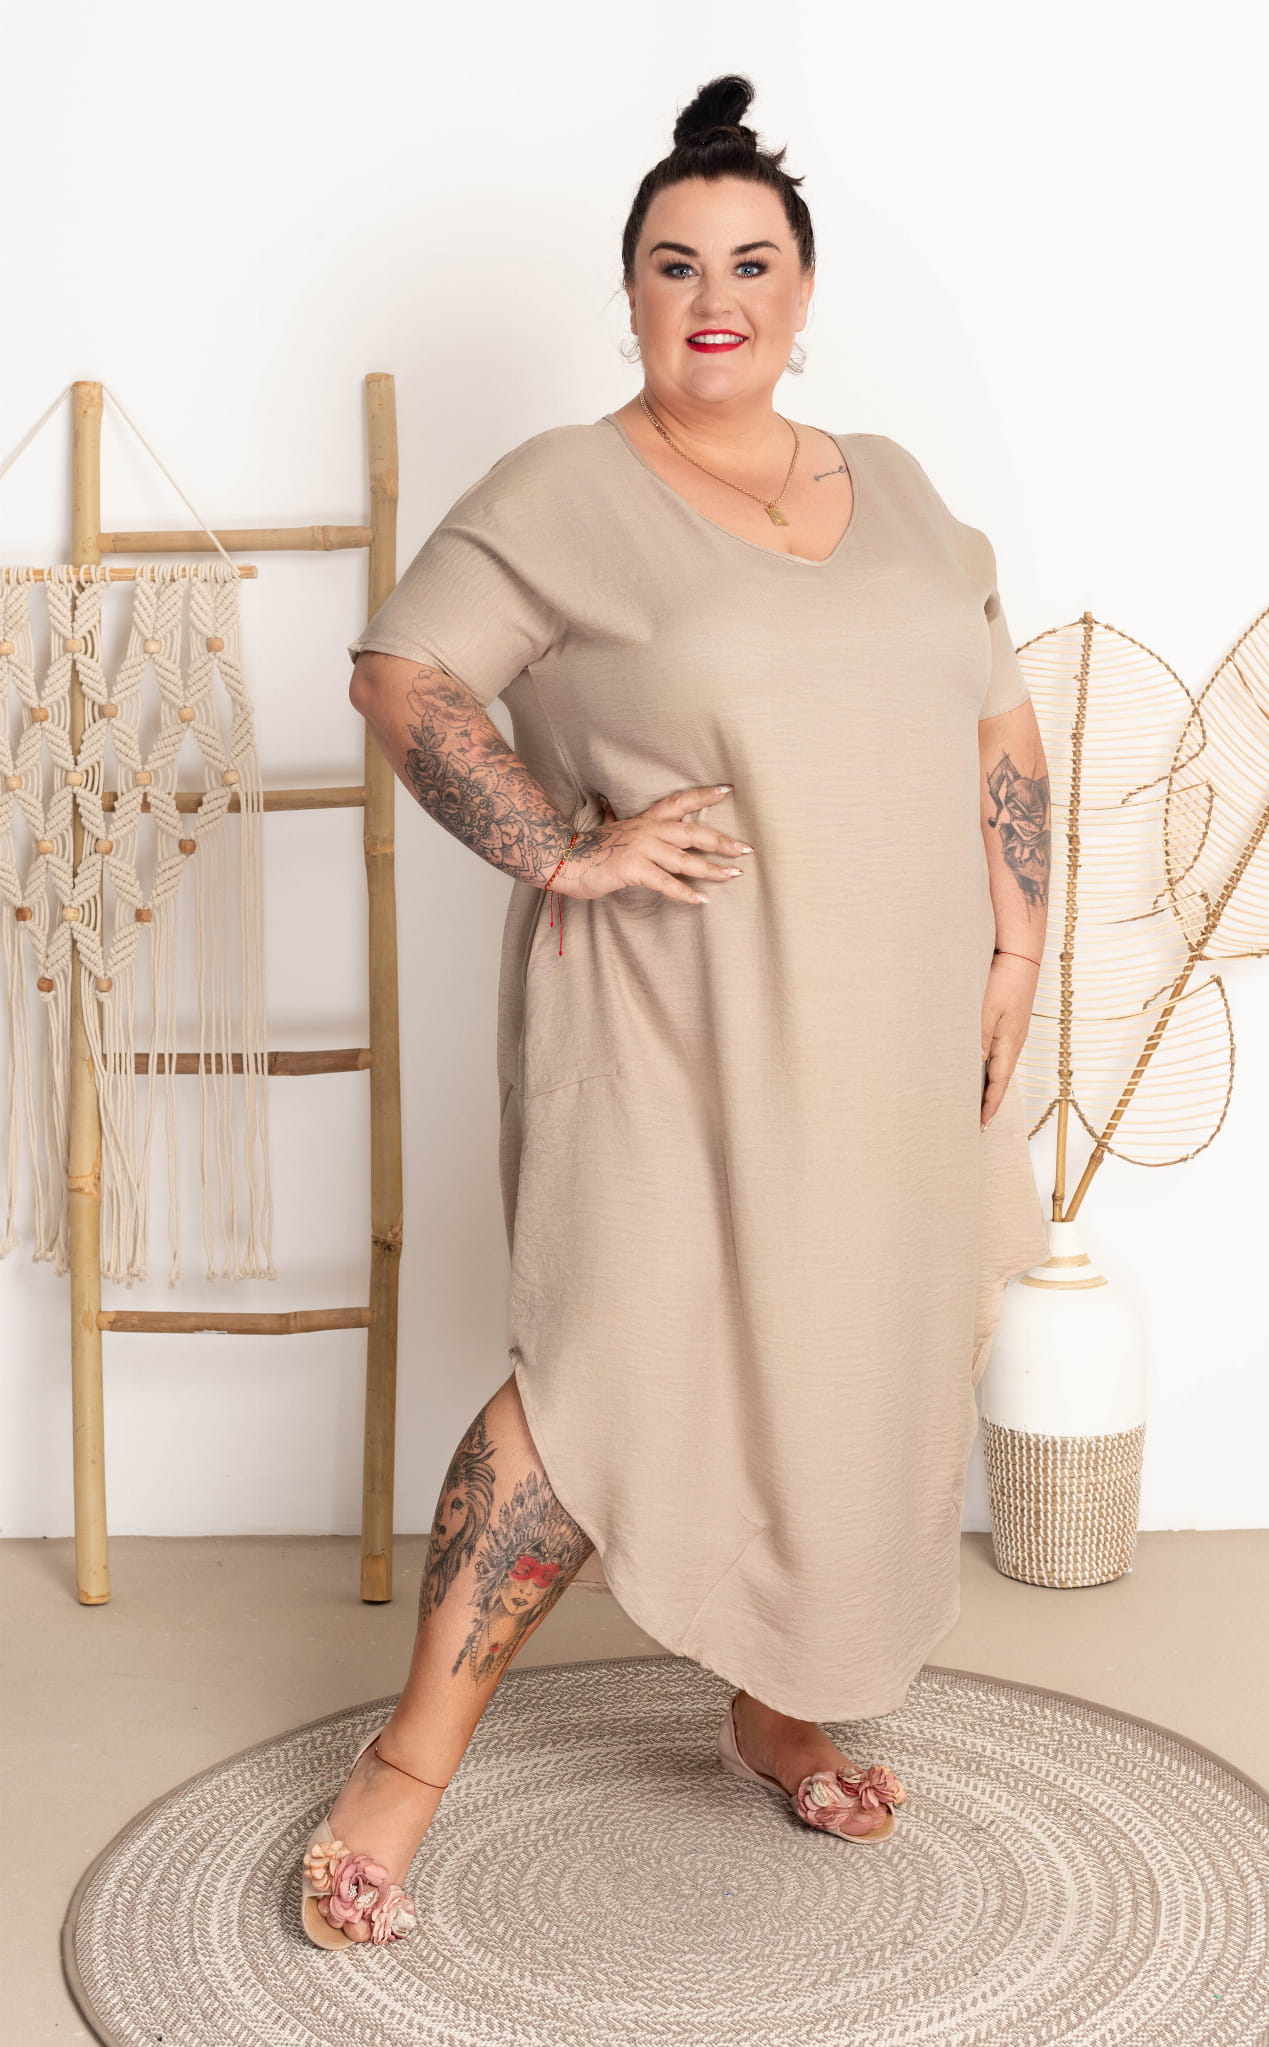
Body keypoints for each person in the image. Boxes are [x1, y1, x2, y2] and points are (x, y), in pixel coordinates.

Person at [299, 71, 1051, 1948]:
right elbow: (401, 674)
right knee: (602, 1377)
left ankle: (779, 1702)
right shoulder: (568, 488)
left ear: (805, 289)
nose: (716, 297)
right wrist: (567, 851)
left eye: (750, 261)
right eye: (675, 264)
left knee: (855, 1359)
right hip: (671, 1031)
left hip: (891, 1033)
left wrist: (1015, 953)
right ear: (629, 292)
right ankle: (405, 1767)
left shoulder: (901, 490)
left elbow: (998, 720)